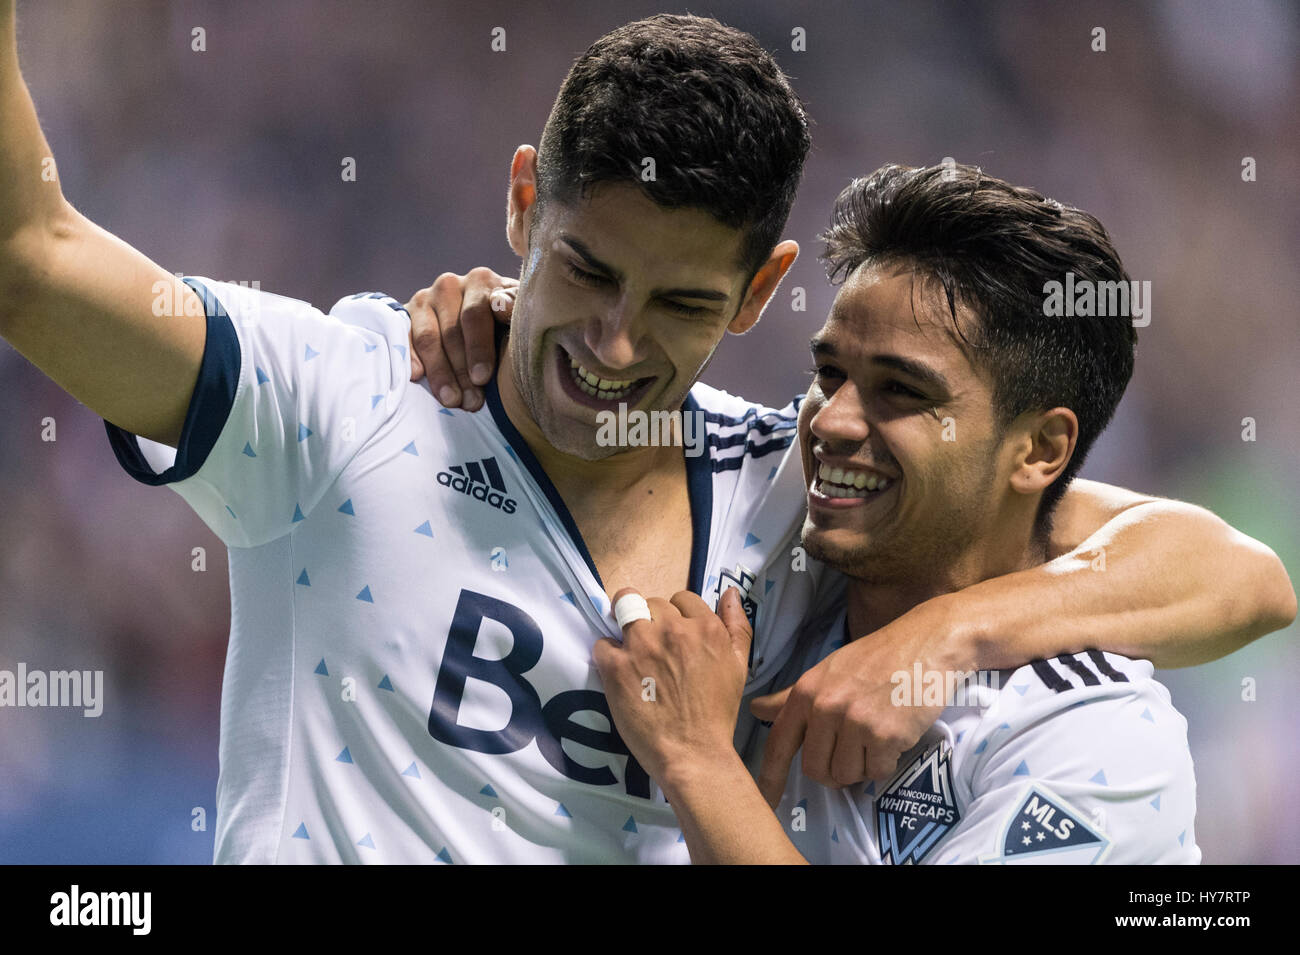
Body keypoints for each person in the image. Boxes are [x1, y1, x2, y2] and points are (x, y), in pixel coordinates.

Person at [0, 8, 1291, 863]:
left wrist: (945, 632)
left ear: (759, 289)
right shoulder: (340, 395)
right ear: (521, 207)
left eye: (678, 303)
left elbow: (1236, 569)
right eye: (584, 272)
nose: (615, 343)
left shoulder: (808, 483)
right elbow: (28, 254)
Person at [592, 163, 1284, 863]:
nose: (830, 422)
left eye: (900, 390)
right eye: (829, 374)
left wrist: (696, 759)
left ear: (1040, 451)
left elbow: (1256, 580)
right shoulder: (781, 531)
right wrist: (496, 314)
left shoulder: (1096, 742)